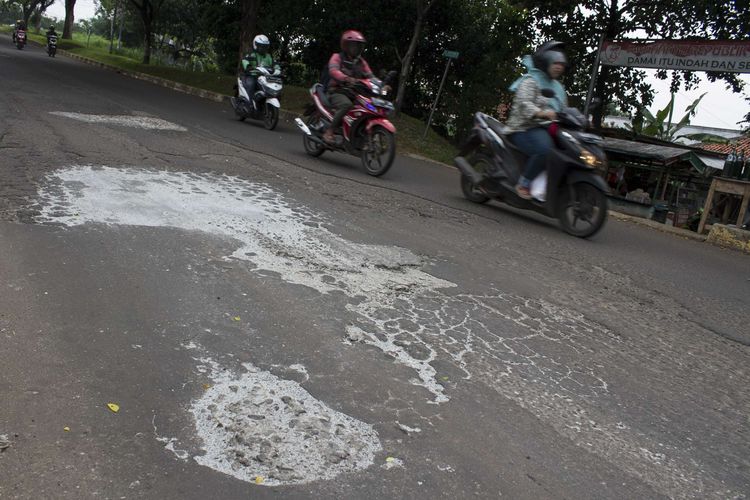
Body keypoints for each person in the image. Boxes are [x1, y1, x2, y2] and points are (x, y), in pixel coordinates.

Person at [505, 41, 569, 199]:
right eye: (555, 63)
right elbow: (524, 104)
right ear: (546, 61)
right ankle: (524, 183)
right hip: (522, 128)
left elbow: (564, 110)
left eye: (561, 64)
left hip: (544, 129)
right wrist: (541, 113)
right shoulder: (529, 80)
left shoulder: (558, 88)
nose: (559, 67)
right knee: (545, 150)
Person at [322, 30, 374, 144]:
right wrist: (346, 78)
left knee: (367, 107)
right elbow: (333, 71)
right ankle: (329, 132)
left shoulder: (361, 62)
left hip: (354, 93)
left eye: (359, 46)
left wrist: (381, 85)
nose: (356, 48)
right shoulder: (337, 57)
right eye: (354, 45)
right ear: (346, 45)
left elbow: (371, 77)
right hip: (336, 91)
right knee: (346, 105)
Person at [239, 34, 279, 108]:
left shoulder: (268, 56)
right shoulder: (252, 54)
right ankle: (249, 103)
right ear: (256, 45)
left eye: (265, 47)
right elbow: (245, 60)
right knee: (251, 85)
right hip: (252, 76)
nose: (263, 48)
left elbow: (275, 64)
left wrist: (278, 69)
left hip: (265, 77)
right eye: (261, 46)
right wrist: (248, 66)